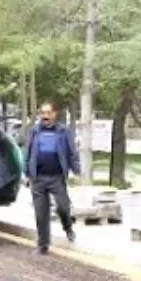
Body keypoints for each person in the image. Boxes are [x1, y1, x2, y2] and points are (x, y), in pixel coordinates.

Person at [23, 102, 80, 254]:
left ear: (54, 114)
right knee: (41, 214)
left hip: (57, 178)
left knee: (63, 207)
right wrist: (26, 173)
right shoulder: (34, 131)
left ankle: (68, 227)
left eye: (48, 113)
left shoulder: (63, 131)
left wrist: (77, 171)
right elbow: (27, 152)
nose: (45, 116)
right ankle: (42, 245)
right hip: (38, 178)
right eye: (43, 113)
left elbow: (72, 152)